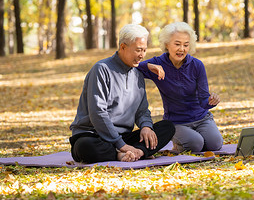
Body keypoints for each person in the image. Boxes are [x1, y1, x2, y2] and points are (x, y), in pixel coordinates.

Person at [69, 24, 175, 163]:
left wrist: (146, 126)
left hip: (123, 137)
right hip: (94, 135)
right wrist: (121, 146)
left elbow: (142, 111)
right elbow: (98, 113)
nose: (142, 55)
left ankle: (136, 152)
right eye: (138, 50)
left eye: (144, 50)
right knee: (85, 147)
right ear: (123, 47)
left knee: (167, 127)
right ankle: (123, 154)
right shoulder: (101, 69)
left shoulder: (137, 75)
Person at [137, 22, 223, 153]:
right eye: (177, 44)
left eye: (186, 45)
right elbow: (133, 65)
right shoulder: (158, 64)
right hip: (176, 122)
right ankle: (182, 142)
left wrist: (212, 100)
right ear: (167, 44)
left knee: (215, 144)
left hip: (201, 119)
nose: (181, 49)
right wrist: (149, 66)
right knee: (196, 144)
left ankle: (191, 139)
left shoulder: (197, 65)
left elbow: (203, 100)